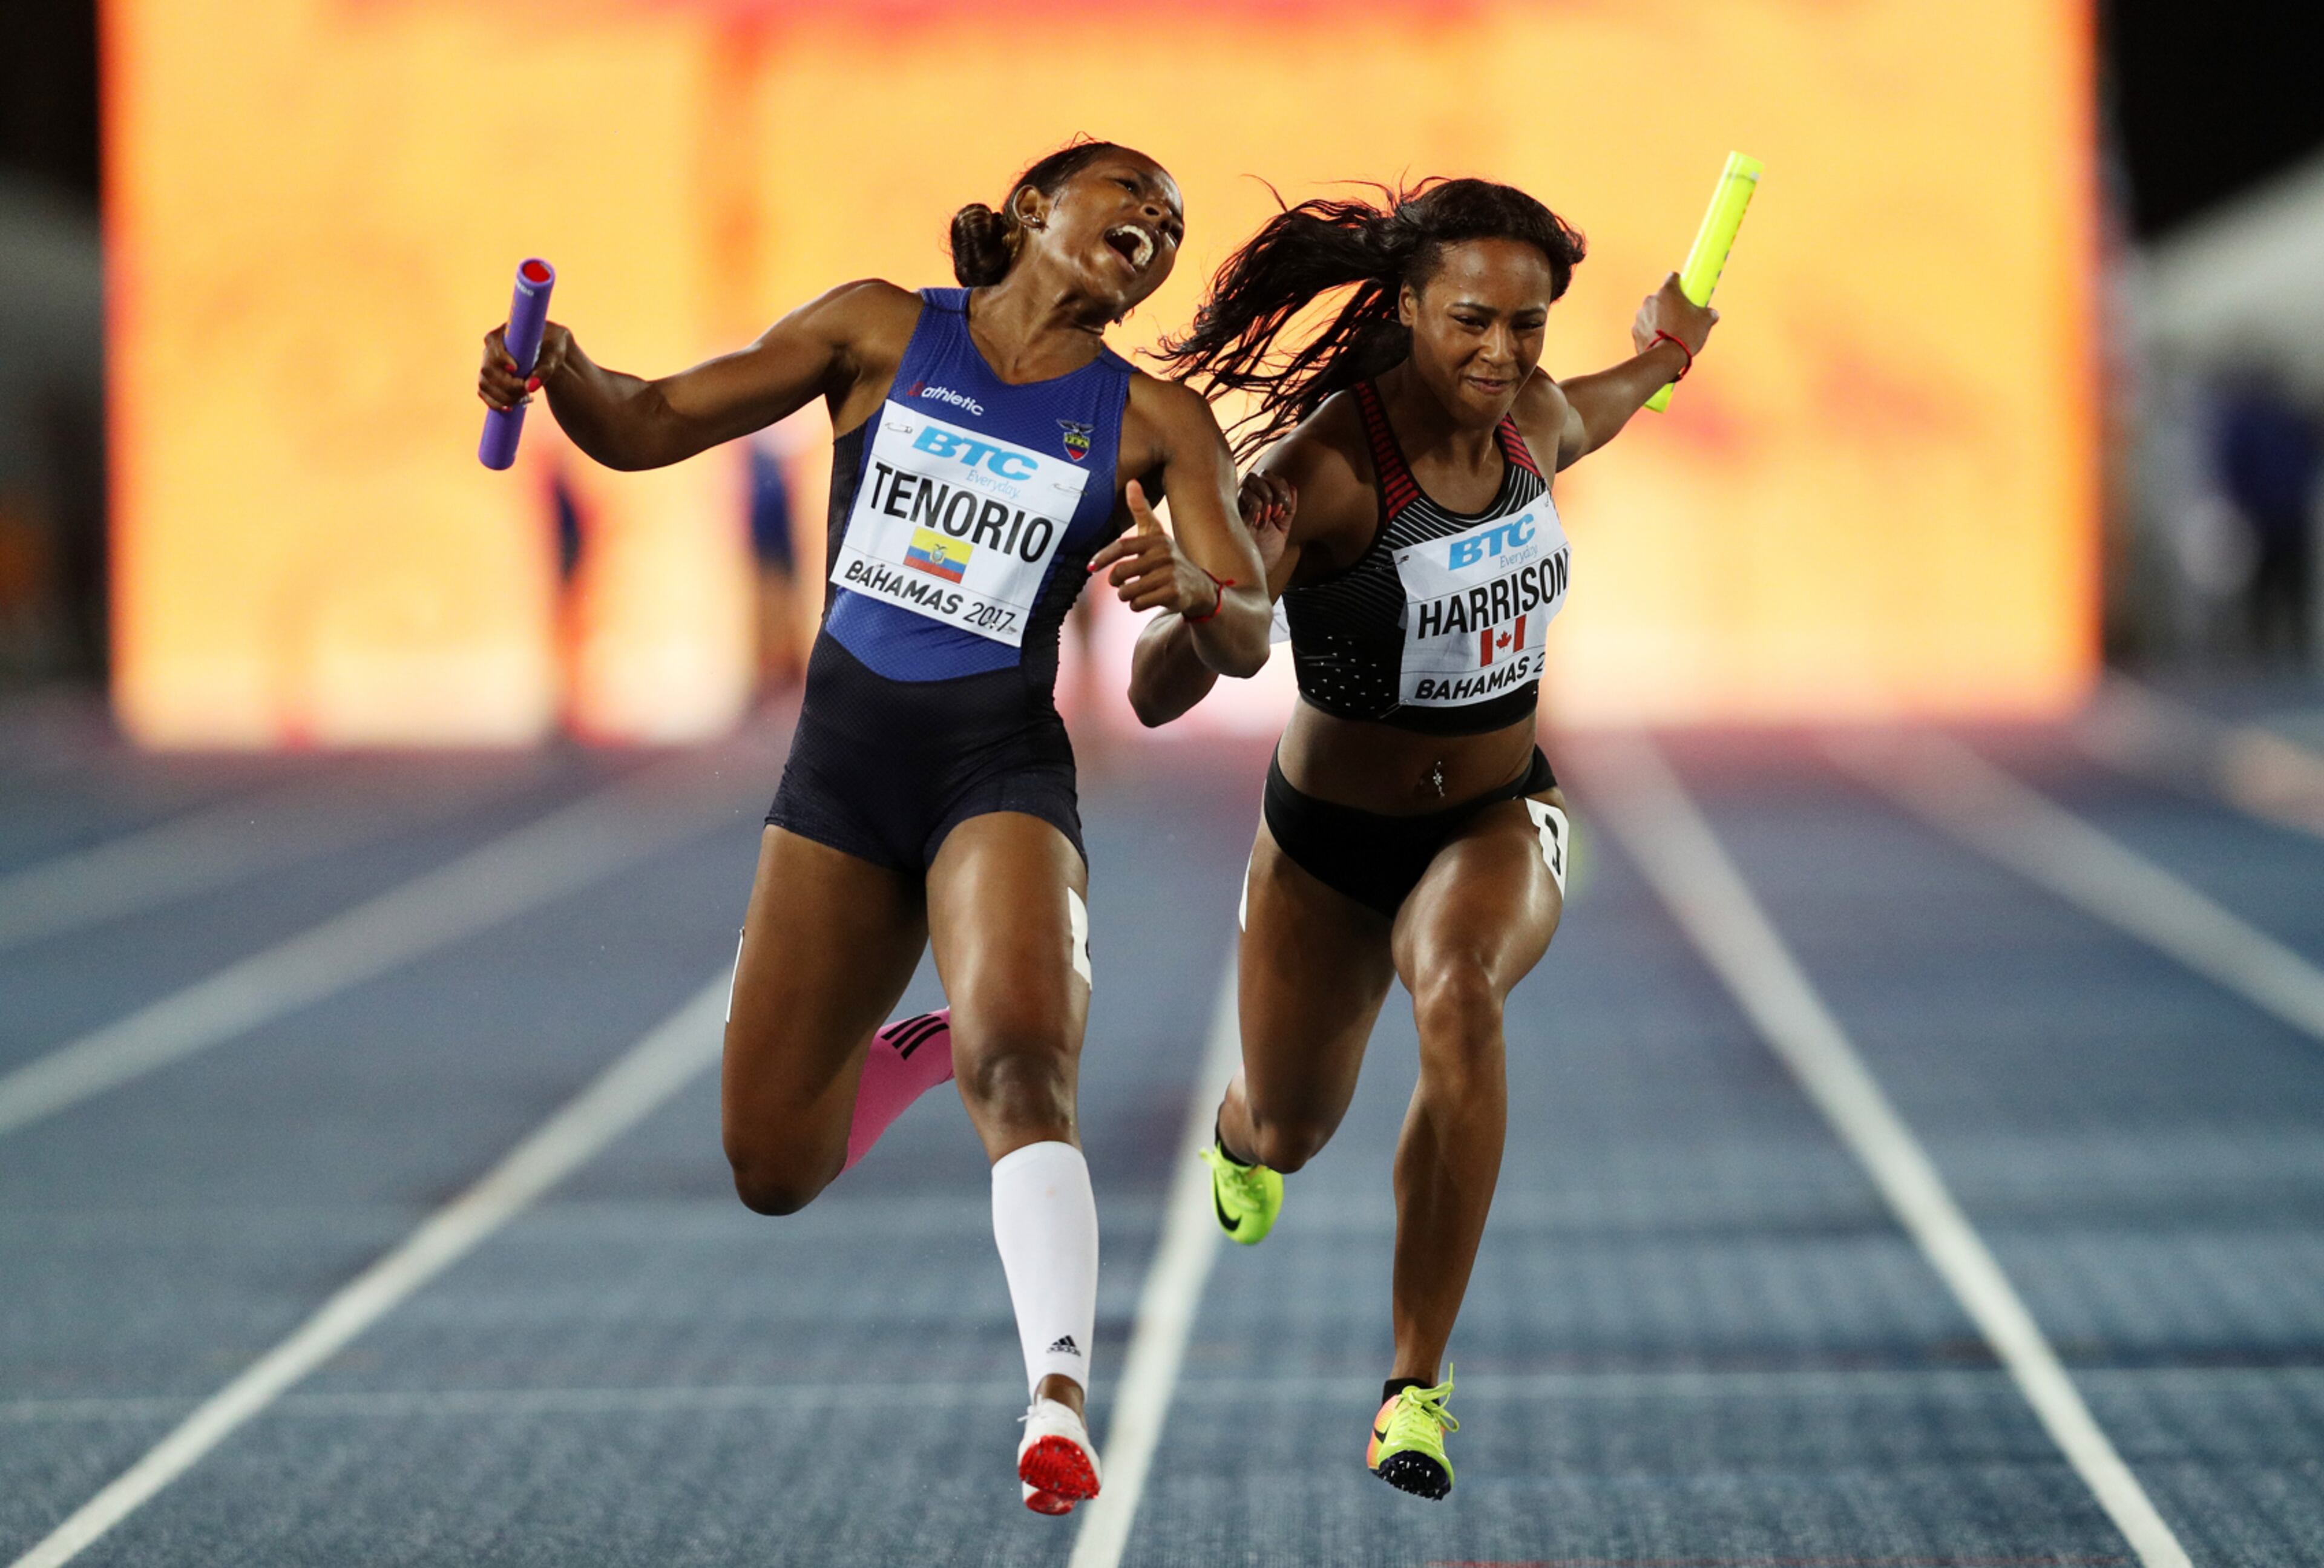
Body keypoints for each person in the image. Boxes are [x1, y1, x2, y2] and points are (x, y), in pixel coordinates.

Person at [475, 139, 1272, 1514]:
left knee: (1025, 1062)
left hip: (997, 770)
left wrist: (1195, 589)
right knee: (773, 1166)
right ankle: (919, 1041)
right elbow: (651, 420)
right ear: (1034, 208)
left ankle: (1059, 1395)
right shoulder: (878, 329)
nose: (1153, 224)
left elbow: (1252, 627)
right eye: (1127, 197)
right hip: (841, 779)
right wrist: (561, 374)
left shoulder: (1156, 422)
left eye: (1173, 224)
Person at [1131, 177, 1718, 1500]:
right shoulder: (1322, 476)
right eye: (1472, 324)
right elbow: (1163, 690)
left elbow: (1618, 398)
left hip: (1500, 816)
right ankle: (1243, 1132)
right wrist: (1202, 599)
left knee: (1459, 991)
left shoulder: (1538, 423)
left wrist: (1673, 347)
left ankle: (1415, 1386)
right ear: (1404, 308)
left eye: (1529, 327)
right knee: (1292, 1128)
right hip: (1328, 850)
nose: (1503, 358)